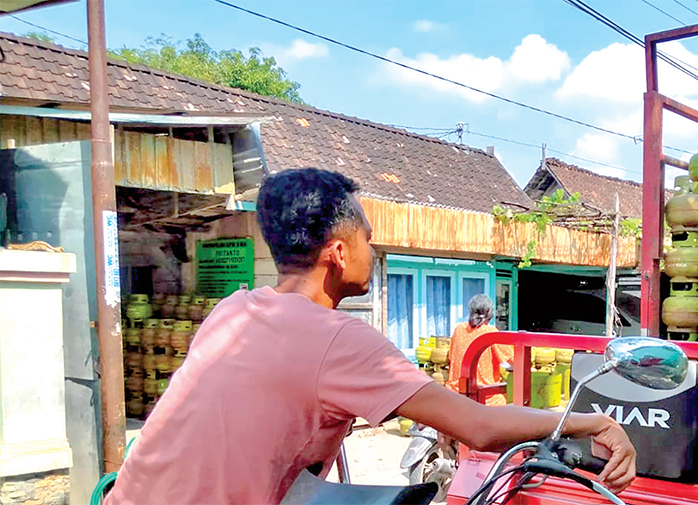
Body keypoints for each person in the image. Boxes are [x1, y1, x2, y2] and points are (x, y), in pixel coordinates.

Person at [106, 168, 636, 504]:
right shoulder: (337, 337)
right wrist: (593, 422)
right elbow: (476, 426)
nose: (372, 254)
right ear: (338, 252)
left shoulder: (233, 308)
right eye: (367, 241)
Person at [445, 293, 514, 406]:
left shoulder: (459, 329)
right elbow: (512, 360)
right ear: (490, 313)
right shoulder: (490, 331)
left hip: (455, 393)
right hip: (484, 397)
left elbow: (452, 356)